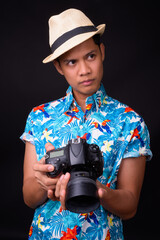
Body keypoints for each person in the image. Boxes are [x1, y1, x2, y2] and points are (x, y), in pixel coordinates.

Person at [21, 8, 152, 240]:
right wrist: (45, 183)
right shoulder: (39, 117)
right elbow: (29, 198)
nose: (84, 70)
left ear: (102, 52)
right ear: (59, 67)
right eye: (71, 62)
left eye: (90, 56)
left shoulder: (131, 122)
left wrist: (96, 189)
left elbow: (130, 205)